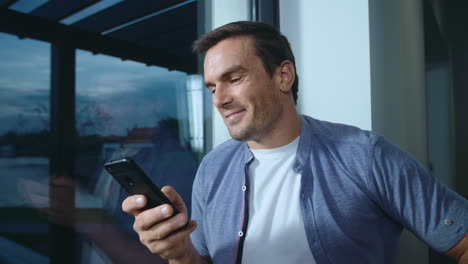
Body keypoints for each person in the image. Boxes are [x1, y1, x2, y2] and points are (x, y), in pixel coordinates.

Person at [122, 21, 468, 264]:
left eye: (234, 79)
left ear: (283, 75)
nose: (219, 99)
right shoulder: (212, 168)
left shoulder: (365, 155)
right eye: (213, 87)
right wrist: (180, 254)